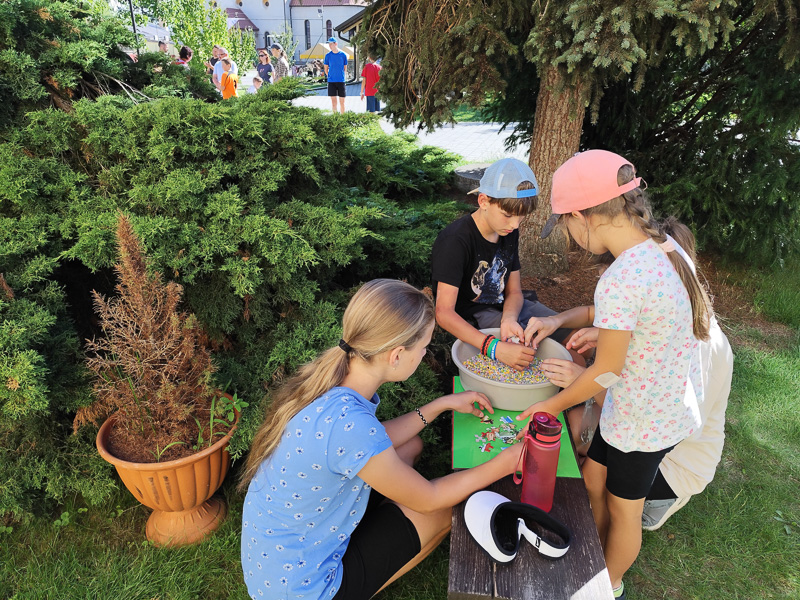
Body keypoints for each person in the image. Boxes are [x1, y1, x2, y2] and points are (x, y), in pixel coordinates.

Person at [239, 279, 522, 600]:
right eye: (424, 346)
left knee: (410, 447)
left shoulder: (333, 380)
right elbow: (430, 498)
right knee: (444, 511)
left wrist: (441, 405)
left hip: (275, 562)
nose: (425, 353)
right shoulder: (351, 425)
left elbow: (371, 441)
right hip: (302, 589)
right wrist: (507, 461)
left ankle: (376, 527)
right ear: (397, 355)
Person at [518, 149, 712, 600]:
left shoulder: (623, 277)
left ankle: (608, 583)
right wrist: (595, 330)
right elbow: (641, 321)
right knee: (593, 479)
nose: (569, 235)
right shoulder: (665, 247)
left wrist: (551, 404)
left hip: (645, 422)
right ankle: (593, 550)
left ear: (582, 216)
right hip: (643, 404)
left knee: (626, 511)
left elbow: (606, 371)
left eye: (565, 224)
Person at [431, 158, 576, 373]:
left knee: (576, 341)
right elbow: (444, 313)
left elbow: (514, 291)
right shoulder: (455, 241)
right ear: (483, 201)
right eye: (508, 215)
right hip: (475, 315)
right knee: (541, 353)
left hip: (510, 307)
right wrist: (495, 348)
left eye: (521, 216)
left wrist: (509, 319)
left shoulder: (508, 231)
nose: (515, 224)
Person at [323, 37, 348, 114]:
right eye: (329, 44)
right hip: (331, 82)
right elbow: (325, 68)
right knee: (334, 103)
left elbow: (345, 68)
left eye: (331, 44)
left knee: (342, 102)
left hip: (341, 81)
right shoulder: (328, 56)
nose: (330, 46)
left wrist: (341, 76)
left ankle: (343, 117)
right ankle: (335, 117)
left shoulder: (343, 55)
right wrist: (329, 76)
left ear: (336, 44)